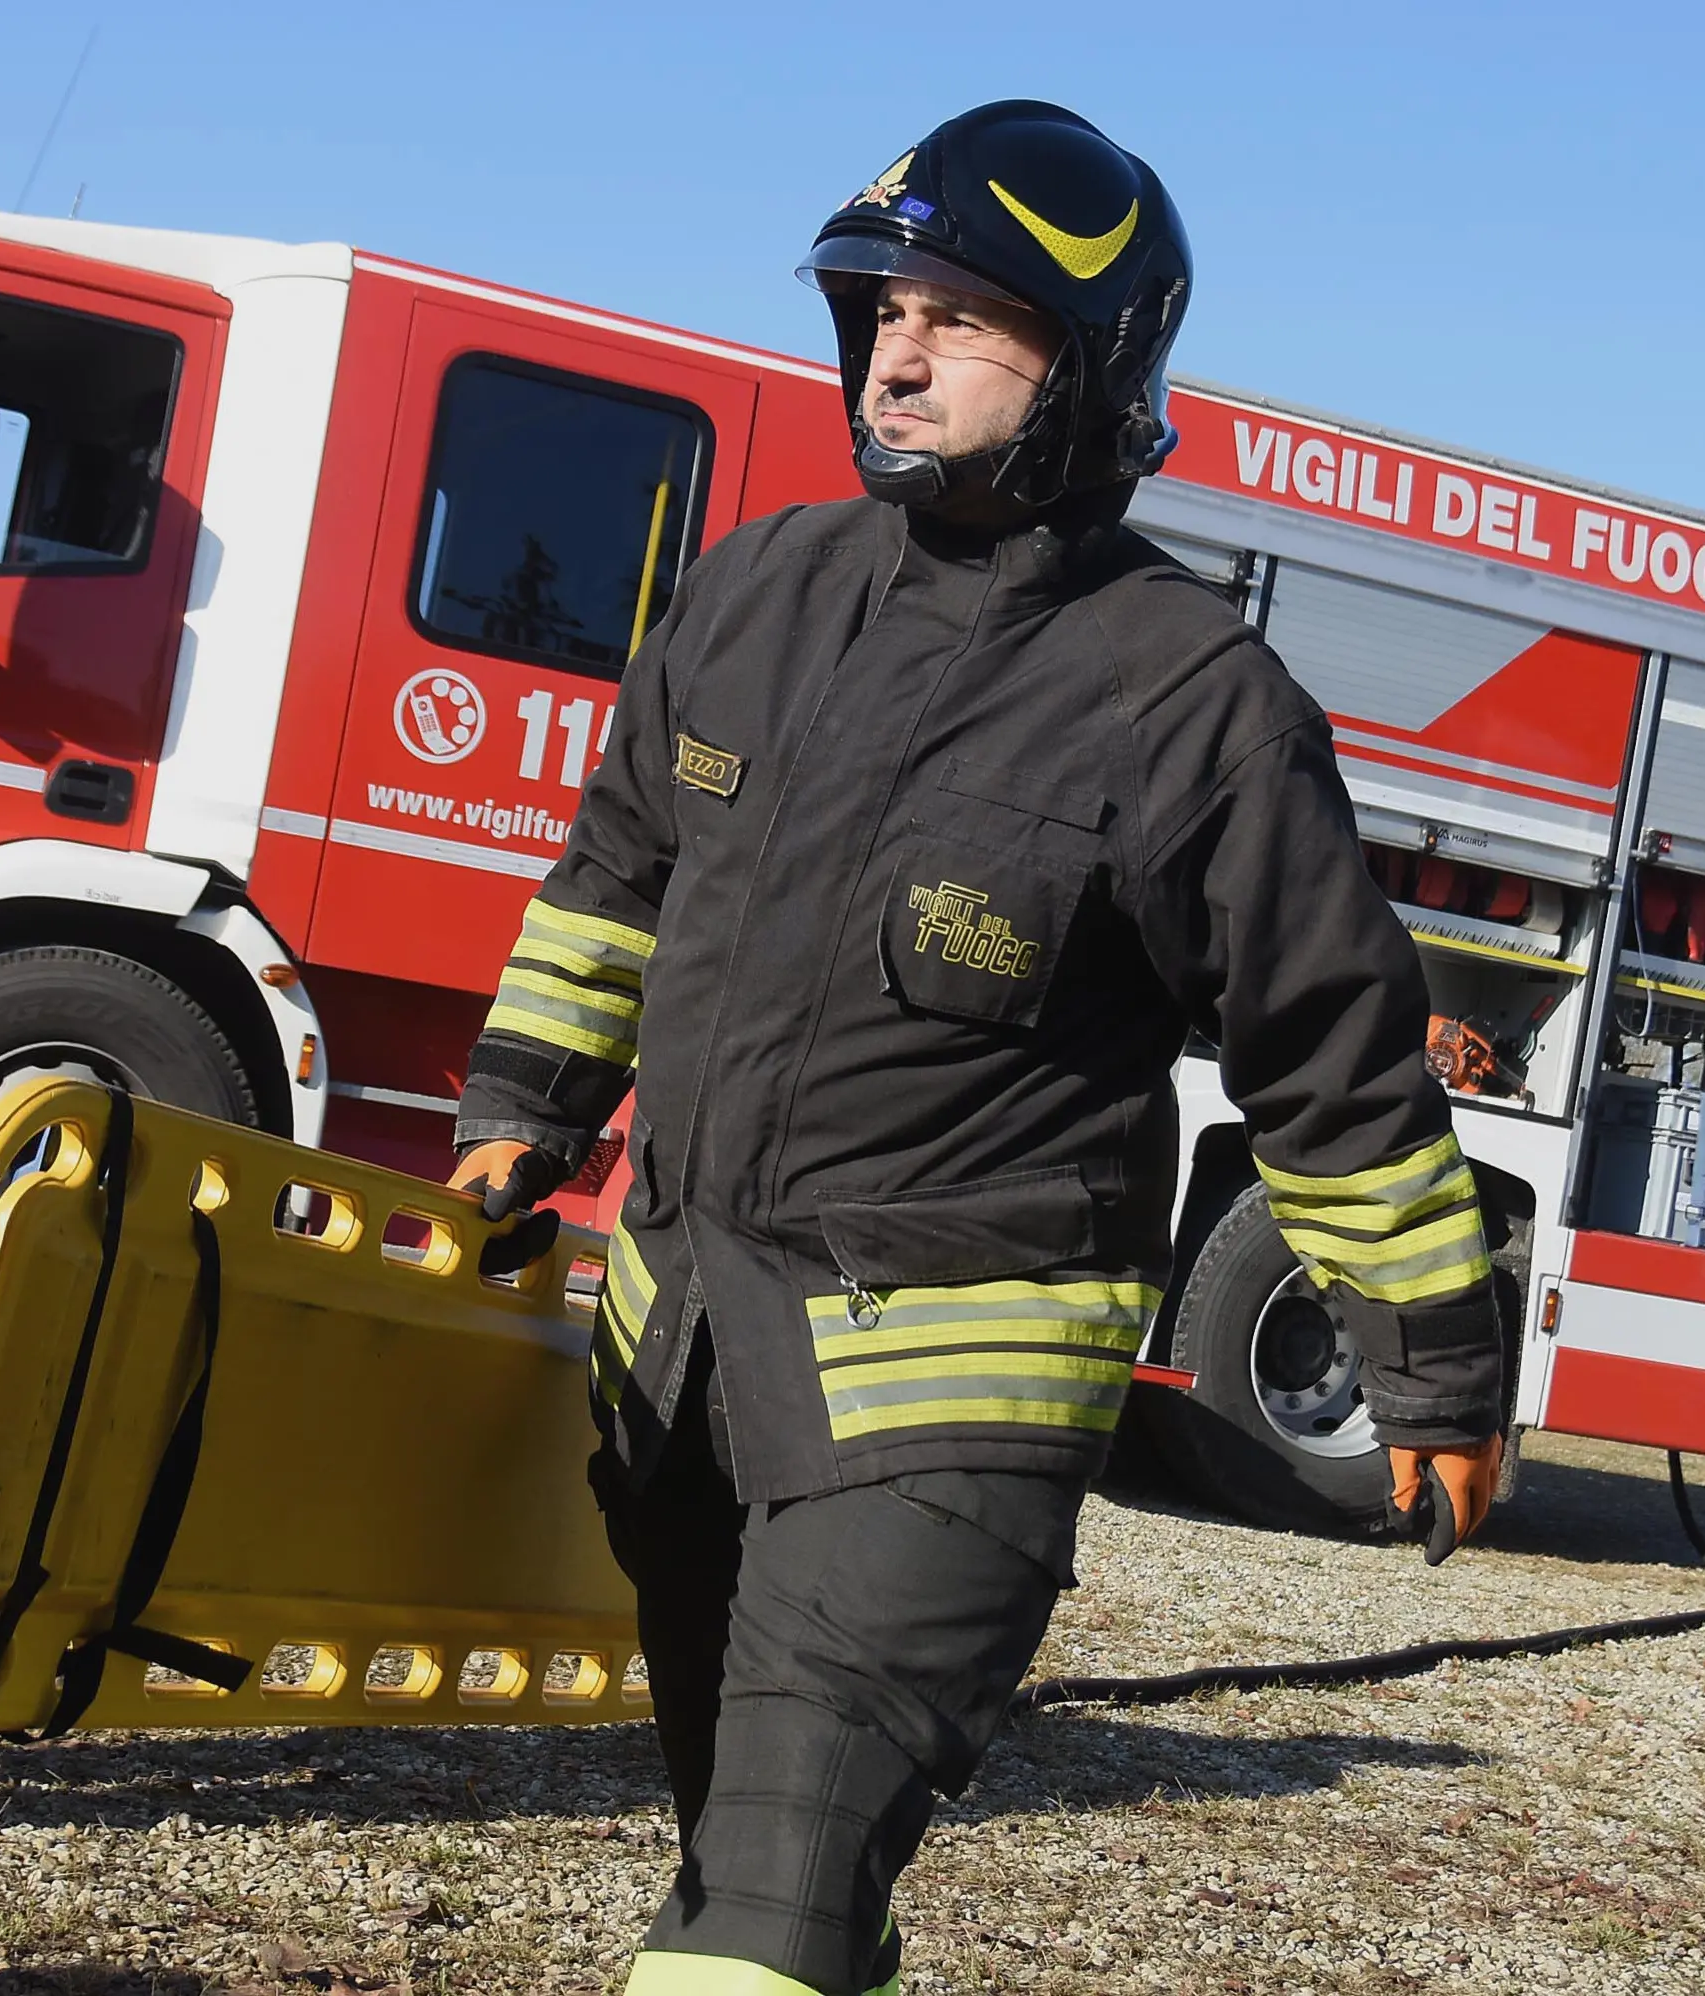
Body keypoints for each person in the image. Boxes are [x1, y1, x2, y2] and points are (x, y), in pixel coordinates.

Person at [450, 99, 1504, 1996]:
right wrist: (525, 1109)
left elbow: (1329, 1052)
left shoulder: (1194, 704)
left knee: (761, 1917)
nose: (898, 353)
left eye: (959, 317)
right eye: (882, 308)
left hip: (944, 1414)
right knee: (756, 1870)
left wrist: (1430, 1369)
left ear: (1089, 361)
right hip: (687, 1370)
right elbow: (614, 886)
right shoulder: (756, 594)